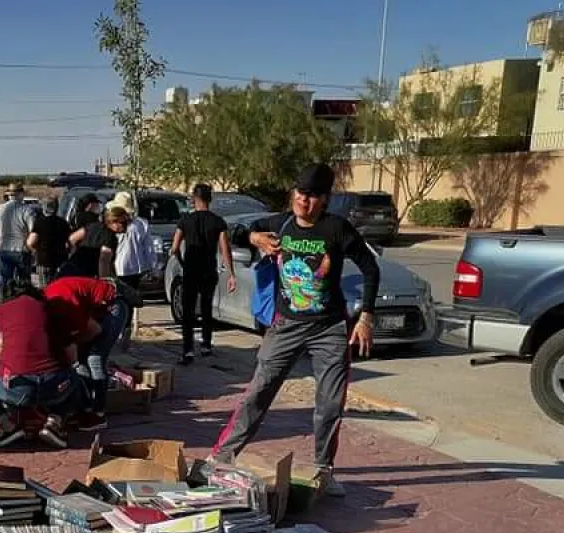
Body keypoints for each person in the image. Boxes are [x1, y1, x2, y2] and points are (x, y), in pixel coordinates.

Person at [210, 163, 381, 497]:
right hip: (286, 325)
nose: (306, 202)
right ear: (293, 194)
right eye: (301, 194)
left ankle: (323, 469)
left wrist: (366, 317)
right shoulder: (281, 223)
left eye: (314, 196)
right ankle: (223, 454)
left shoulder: (337, 229)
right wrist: (255, 237)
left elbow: (370, 267)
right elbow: (236, 232)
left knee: (330, 404)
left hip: (329, 328)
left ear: (326, 200)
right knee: (259, 390)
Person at [0, 279, 80, 449]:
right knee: (75, 376)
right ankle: (54, 422)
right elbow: (72, 357)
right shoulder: (51, 310)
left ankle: (7, 426)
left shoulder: (1, 310)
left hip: (16, 388)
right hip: (54, 387)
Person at [45, 267, 129, 430]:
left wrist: (72, 345)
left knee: (94, 358)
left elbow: (94, 330)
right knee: (81, 361)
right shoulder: (49, 304)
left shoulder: (65, 305)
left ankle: (98, 414)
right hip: (95, 309)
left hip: (112, 305)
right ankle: (85, 409)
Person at [170, 183, 235, 364]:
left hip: (191, 270)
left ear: (194, 199)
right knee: (207, 309)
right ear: (210, 199)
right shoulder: (218, 221)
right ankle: (206, 345)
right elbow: (225, 249)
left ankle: (188, 349)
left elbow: (174, 248)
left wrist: (183, 262)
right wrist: (231, 273)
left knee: (188, 311)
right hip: (208, 270)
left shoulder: (184, 221)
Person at [0, 183, 37, 295]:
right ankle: (23, 303)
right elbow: (33, 230)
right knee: (24, 282)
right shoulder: (27, 210)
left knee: (4, 279)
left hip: (3, 249)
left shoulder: (0, 209)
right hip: (21, 249)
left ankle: (4, 302)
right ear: (21, 194)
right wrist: (30, 248)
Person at [104, 191, 156, 291]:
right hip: (135, 268)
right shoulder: (142, 224)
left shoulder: (112, 224)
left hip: (117, 267)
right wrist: (152, 267)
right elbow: (148, 248)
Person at [68, 206, 125, 278]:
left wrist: (72, 255)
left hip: (74, 266)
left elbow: (72, 239)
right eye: (123, 222)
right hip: (89, 274)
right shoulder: (110, 238)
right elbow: (103, 261)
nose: (126, 225)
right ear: (114, 222)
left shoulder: (93, 226)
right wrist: (105, 281)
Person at [26, 196, 71, 285]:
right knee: (59, 287)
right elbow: (69, 242)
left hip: (44, 260)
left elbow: (30, 242)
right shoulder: (63, 223)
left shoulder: (39, 222)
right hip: (60, 260)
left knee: (45, 289)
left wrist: (36, 250)